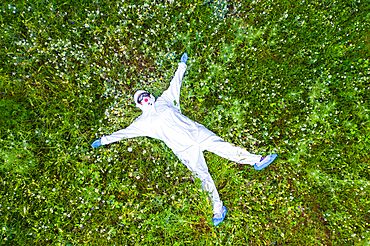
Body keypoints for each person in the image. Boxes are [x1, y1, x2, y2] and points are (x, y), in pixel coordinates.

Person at [91, 53, 278, 226]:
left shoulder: (165, 99)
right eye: (141, 99)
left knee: (225, 147)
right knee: (203, 176)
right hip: (183, 149)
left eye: (145, 95)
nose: (145, 99)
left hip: (197, 132)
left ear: (150, 95)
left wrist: (182, 65)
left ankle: (257, 160)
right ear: (139, 105)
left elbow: (175, 83)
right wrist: (105, 140)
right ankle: (217, 209)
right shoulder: (143, 122)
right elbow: (124, 133)